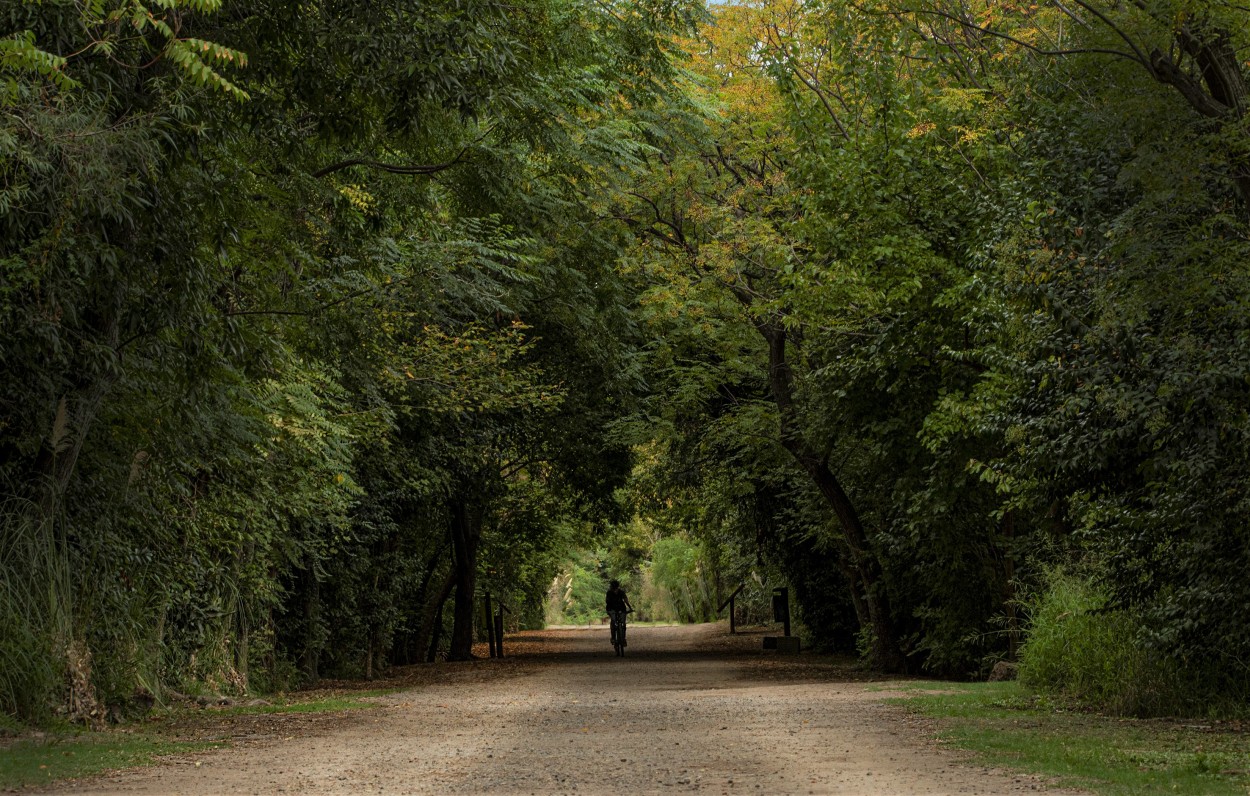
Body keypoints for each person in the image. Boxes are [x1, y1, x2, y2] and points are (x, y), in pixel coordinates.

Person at [605, 579, 633, 655]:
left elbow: (625, 600)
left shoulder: (619, 592)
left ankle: (621, 638)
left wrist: (629, 607)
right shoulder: (610, 593)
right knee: (616, 622)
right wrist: (630, 608)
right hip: (613, 609)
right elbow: (608, 602)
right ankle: (615, 638)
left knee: (621, 623)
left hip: (619, 609)